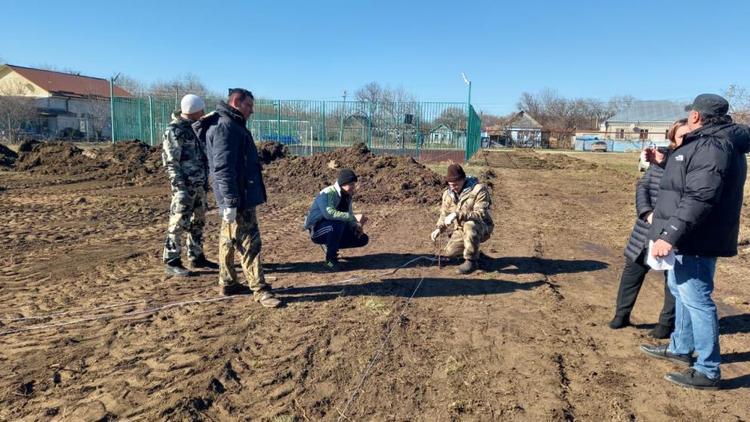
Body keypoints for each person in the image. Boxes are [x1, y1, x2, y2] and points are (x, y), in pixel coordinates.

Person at [640, 94, 750, 390]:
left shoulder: (713, 145)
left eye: (691, 113)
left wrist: (670, 234)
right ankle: (680, 348)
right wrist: (666, 162)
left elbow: (700, 196)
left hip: (696, 238)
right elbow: (689, 181)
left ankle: (708, 370)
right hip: (692, 236)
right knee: (681, 291)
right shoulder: (710, 142)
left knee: (698, 300)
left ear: (697, 117)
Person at [192, 88, 281, 308]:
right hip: (238, 198)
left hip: (234, 196)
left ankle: (228, 282)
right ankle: (260, 290)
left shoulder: (230, 125)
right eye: (248, 105)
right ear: (235, 102)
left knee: (228, 240)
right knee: (250, 243)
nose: (251, 111)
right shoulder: (226, 127)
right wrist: (230, 202)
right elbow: (222, 168)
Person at [609, 120, 689, 338]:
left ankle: (666, 323)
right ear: (672, 138)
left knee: (672, 278)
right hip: (646, 227)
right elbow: (643, 186)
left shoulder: (692, 163)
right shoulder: (660, 159)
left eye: (689, 135)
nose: (685, 140)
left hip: (673, 229)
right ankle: (621, 314)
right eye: (681, 136)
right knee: (632, 271)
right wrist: (646, 213)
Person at [162, 94, 218, 276]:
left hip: (199, 184)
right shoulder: (175, 130)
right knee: (178, 222)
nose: (202, 112)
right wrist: (179, 187)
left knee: (198, 221)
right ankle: (172, 260)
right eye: (200, 110)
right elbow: (171, 161)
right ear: (193, 110)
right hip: (184, 186)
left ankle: (196, 256)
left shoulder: (194, 128)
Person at [431, 163, 494, 274]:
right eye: (451, 185)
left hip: (480, 226)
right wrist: (439, 229)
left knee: (469, 225)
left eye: (456, 184)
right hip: (460, 229)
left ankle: (471, 261)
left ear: (463, 179)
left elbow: (480, 214)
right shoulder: (447, 194)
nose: (453, 188)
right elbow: (444, 215)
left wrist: (457, 214)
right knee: (450, 253)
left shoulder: (479, 190)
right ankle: (474, 251)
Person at [303, 168, 369, 271]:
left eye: (354, 184)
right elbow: (329, 214)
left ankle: (331, 246)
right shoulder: (327, 193)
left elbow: (348, 214)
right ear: (343, 183)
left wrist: (355, 226)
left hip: (333, 227)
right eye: (351, 184)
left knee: (362, 238)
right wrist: (354, 217)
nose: (353, 187)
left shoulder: (347, 196)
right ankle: (330, 262)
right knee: (337, 224)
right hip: (317, 230)